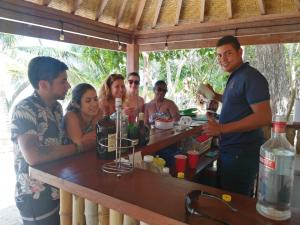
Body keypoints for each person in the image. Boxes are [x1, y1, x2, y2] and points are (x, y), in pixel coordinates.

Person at [11, 56, 93, 225]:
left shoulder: (56, 107)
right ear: (43, 84)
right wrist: (79, 147)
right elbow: (33, 155)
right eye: (63, 81)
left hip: (57, 187)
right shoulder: (24, 109)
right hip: (34, 195)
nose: (68, 86)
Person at [202, 36, 272, 196]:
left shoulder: (251, 77)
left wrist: (221, 128)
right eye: (219, 55)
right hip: (230, 150)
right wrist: (215, 95)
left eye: (228, 53)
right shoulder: (236, 76)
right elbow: (237, 101)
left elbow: (264, 116)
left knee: (235, 203)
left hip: (241, 153)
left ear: (240, 52)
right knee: (226, 197)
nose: (223, 59)